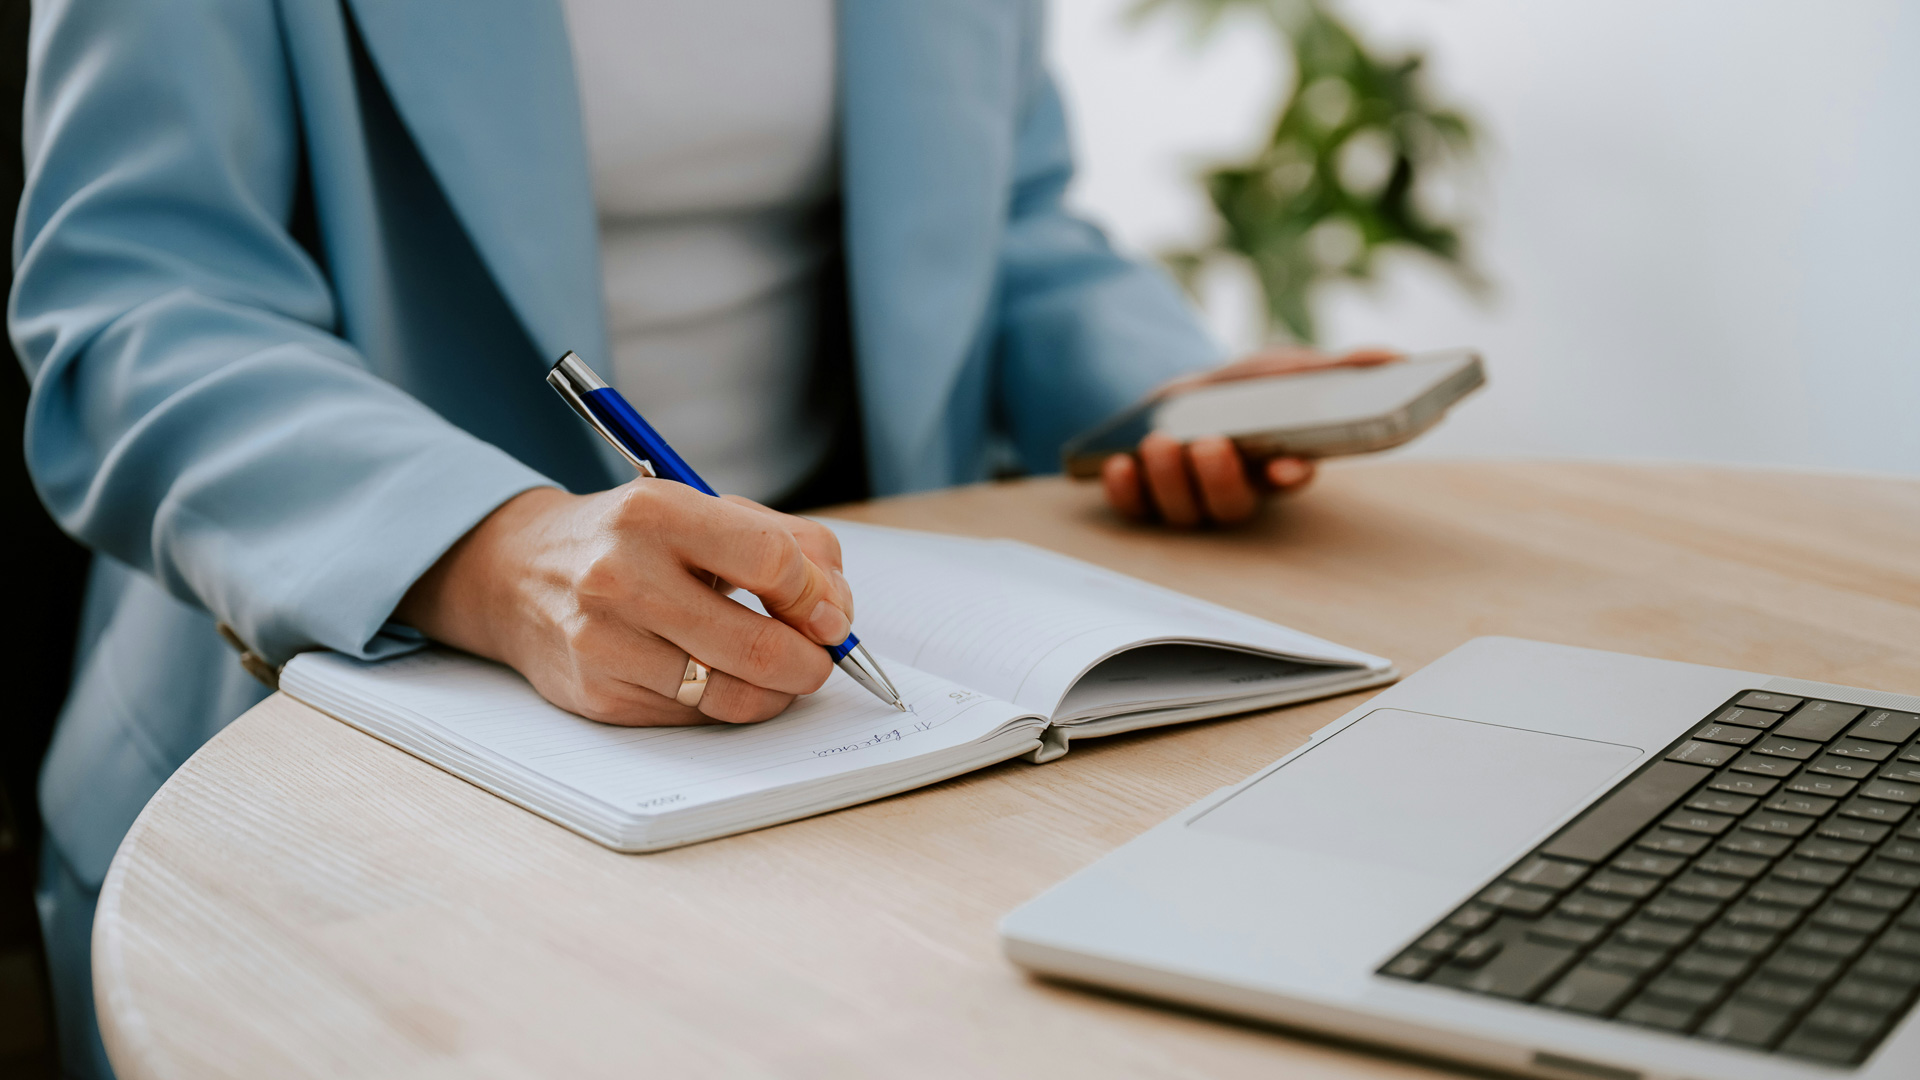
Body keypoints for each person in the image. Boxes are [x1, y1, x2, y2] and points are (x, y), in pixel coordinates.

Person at [10, 1, 1386, 1075]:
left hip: (839, 672)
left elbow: (1009, 224)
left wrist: (1160, 391)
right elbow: (136, 311)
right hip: (323, 738)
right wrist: (491, 552)